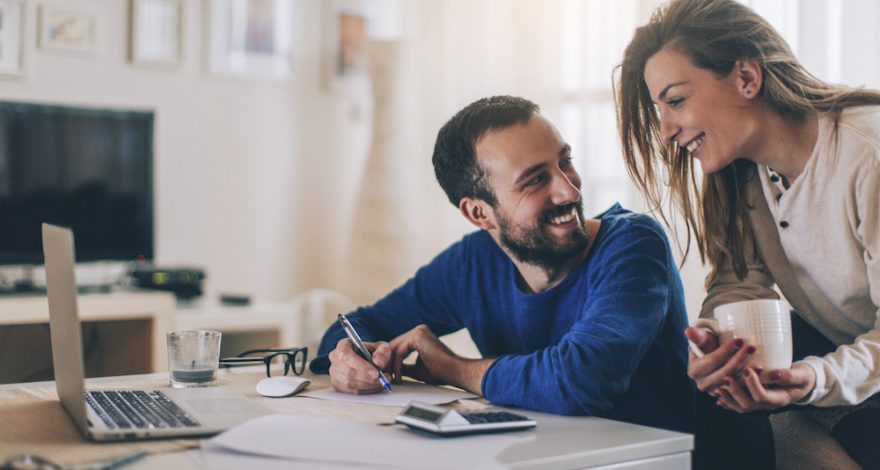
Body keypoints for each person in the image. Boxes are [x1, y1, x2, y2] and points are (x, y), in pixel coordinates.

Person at [309, 96, 694, 432]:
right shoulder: (472, 263)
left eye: (565, 162)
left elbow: (581, 380)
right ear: (479, 212)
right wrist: (348, 359)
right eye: (535, 180)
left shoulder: (633, 245)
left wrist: (452, 368)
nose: (569, 190)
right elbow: (357, 326)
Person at [616, 0, 880, 468]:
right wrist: (715, 344)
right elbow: (739, 282)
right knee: (724, 390)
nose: (665, 131)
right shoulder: (742, 174)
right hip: (856, 369)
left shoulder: (868, 155)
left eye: (675, 100)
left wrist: (815, 378)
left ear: (746, 79)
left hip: (864, 369)